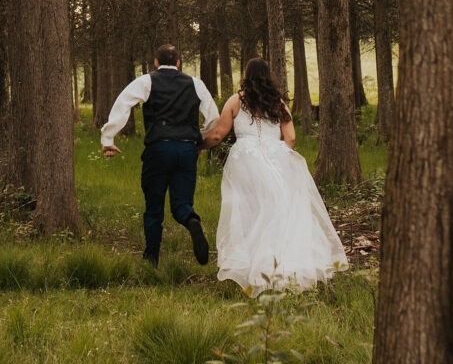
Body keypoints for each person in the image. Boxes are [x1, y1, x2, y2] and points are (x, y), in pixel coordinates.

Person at [201, 57, 348, 296]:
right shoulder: (278, 103)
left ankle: (252, 266)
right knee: (278, 210)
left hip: (244, 160)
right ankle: (280, 265)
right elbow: (290, 139)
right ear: (268, 76)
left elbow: (218, 135)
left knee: (247, 212)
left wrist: (198, 145)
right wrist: (276, 155)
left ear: (246, 76)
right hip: (275, 157)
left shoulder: (236, 101)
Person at [101, 43, 219, 267]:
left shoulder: (146, 81)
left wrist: (108, 138)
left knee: (154, 207)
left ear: (155, 62)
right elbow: (213, 117)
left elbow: (123, 103)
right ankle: (192, 220)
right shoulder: (195, 84)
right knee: (181, 204)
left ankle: (152, 259)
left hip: (159, 149)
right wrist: (196, 136)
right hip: (187, 149)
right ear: (178, 63)